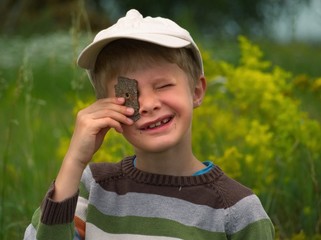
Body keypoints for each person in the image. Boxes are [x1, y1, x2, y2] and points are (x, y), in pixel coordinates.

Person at [24, 9, 275, 240]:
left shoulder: (238, 211)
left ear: (196, 91)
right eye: (129, 93)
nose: (148, 104)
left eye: (163, 85)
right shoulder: (92, 187)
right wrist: (74, 161)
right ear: (106, 108)